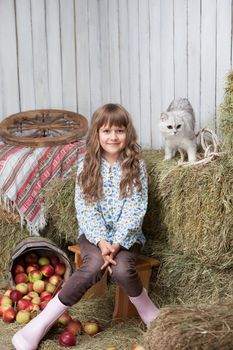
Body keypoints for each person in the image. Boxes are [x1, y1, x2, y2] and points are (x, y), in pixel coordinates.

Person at [12, 103, 159, 350]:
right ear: (97, 134)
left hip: (126, 238)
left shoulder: (136, 166)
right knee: (93, 267)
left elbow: (136, 208)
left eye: (120, 131)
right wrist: (101, 242)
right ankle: (36, 326)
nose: (113, 137)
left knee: (122, 270)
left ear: (128, 134)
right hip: (94, 237)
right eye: (107, 131)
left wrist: (117, 245)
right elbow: (86, 208)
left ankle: (150, 314)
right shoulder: (87, 166)